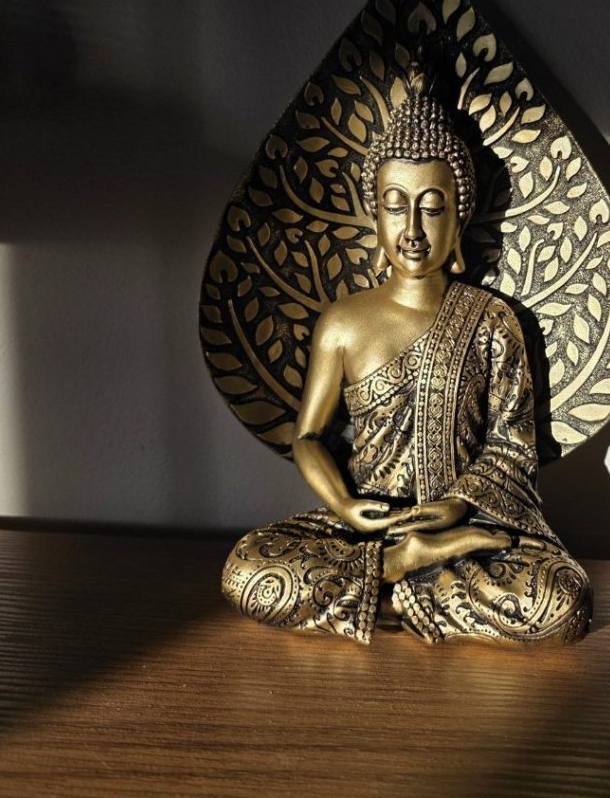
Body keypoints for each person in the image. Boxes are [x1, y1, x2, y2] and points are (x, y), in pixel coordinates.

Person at [221, 78, 591, 645]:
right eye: (396, 206)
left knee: (563, 600)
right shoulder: (342, 322)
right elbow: (309, 437)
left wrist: (455, 506)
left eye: (432, 208)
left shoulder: (493, 320)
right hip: (368, 529)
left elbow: (511, 444)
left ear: (459, 218)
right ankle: (400, 568)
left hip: (464, 528)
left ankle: (382, 592)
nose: (413, 230)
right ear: (375, 216)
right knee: (248, 570)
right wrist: (346, 505)